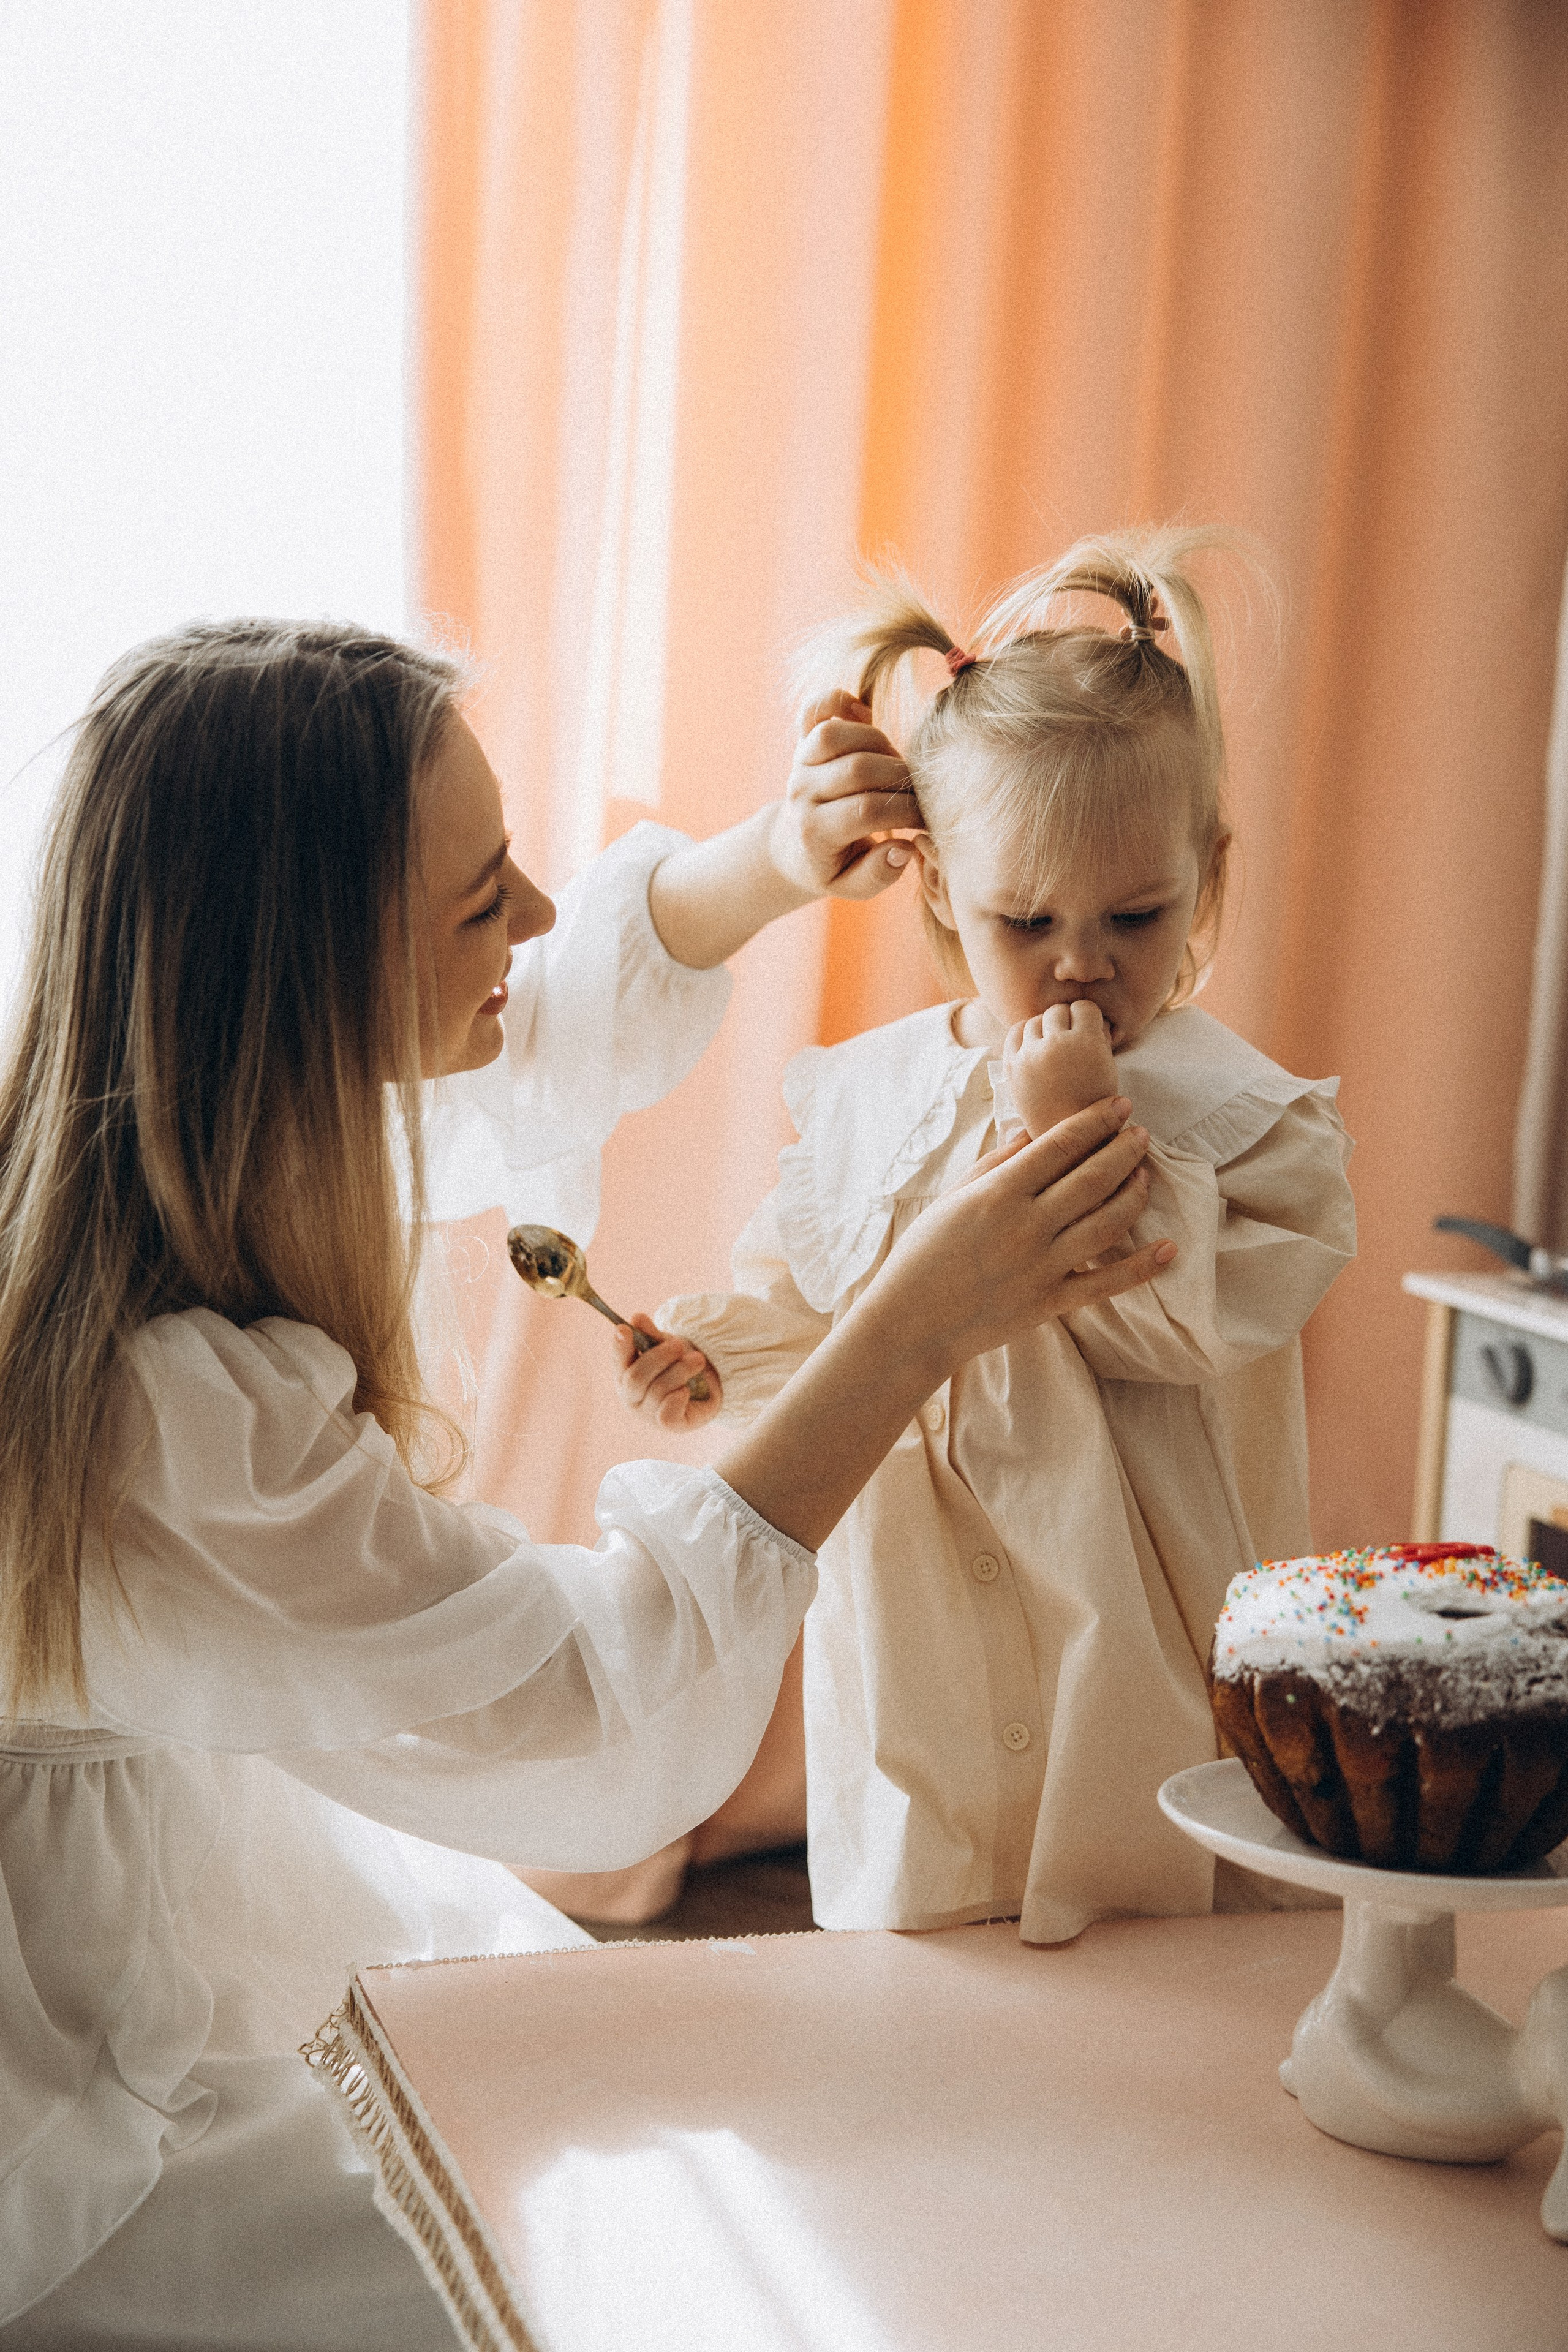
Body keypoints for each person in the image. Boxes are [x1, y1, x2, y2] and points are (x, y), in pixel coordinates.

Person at [0, 619, 1172, 2347]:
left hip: (188, 1861)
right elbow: (593, 1712)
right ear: (313, 968)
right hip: (75, 2064)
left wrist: (778, 858)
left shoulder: (199, 1123)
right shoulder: (150, 1433)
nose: (536, 917)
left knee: (602, 2087)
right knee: (587, 2258)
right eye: (484, 900)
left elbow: (527, 1028)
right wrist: (914, 1318)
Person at [619, 529, 1358, 1946]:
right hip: (921, 1647)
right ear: (940, 891)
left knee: (1141, 1942)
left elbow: (1179, 1320)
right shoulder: (867, 1097)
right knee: (927, 1921)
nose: (1083, 961)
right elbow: (821, 1308)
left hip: (1131, 1646)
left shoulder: (1245, 1124)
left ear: (1203, 878)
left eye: (1134, 916)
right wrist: (711, 1353)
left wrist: (1082, 1125)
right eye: (1027, 920)